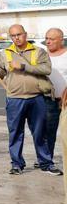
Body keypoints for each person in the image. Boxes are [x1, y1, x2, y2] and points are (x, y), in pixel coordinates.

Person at [0, 24, 61, 175]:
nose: (16, 38)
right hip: (14, 99)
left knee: (40, 132)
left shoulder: (38, 51)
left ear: (25, 34)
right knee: (15, 133)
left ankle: (46, 163)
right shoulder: (5, 53)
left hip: (36, 97)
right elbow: (0, 73)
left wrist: (22, 66)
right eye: (13, 36)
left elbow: (46, 69)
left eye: (19, 34)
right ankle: (17, 164)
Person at [45, 28, 67, 167]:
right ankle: (46, 160)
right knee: (47, 132)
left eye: (52, 39)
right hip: (48, 100)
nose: (48, 41)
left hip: (66, 101)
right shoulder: (42, 56)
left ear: (61, 40)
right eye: (46, 38)